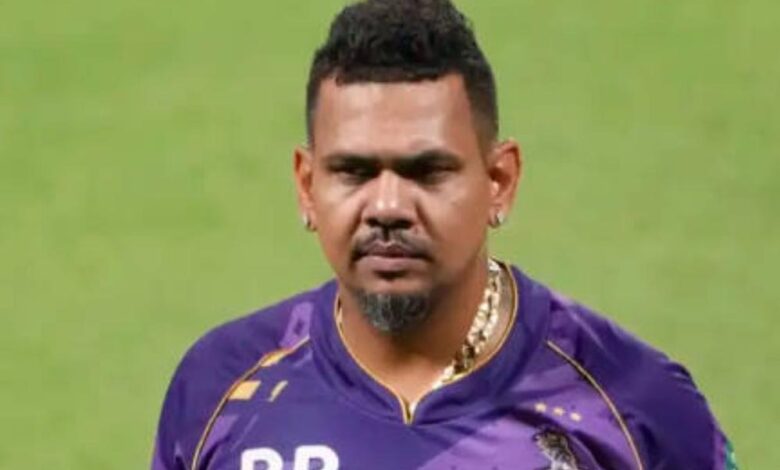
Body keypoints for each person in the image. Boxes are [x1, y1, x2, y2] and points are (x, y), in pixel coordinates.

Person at [151, 1, 737, 469]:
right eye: (353, 171)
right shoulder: (220, 387)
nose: (387, 207)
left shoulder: (633, 405)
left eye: (427, 172)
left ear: (499, 181)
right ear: (307, 186)